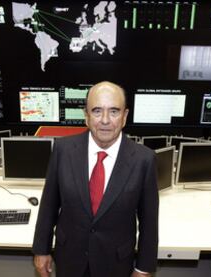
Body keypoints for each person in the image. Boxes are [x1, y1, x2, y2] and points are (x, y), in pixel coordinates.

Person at [32, 81, 159, 277]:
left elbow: (149, 222)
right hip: (69, 260)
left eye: (114, 111)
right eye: (97, 111)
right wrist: (42, 249)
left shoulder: (144, 160)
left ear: (124, 117)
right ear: (87, 116)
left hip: (116, 264)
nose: (105, 120)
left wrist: (143, 268)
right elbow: (49, 204)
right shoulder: (63, 150)